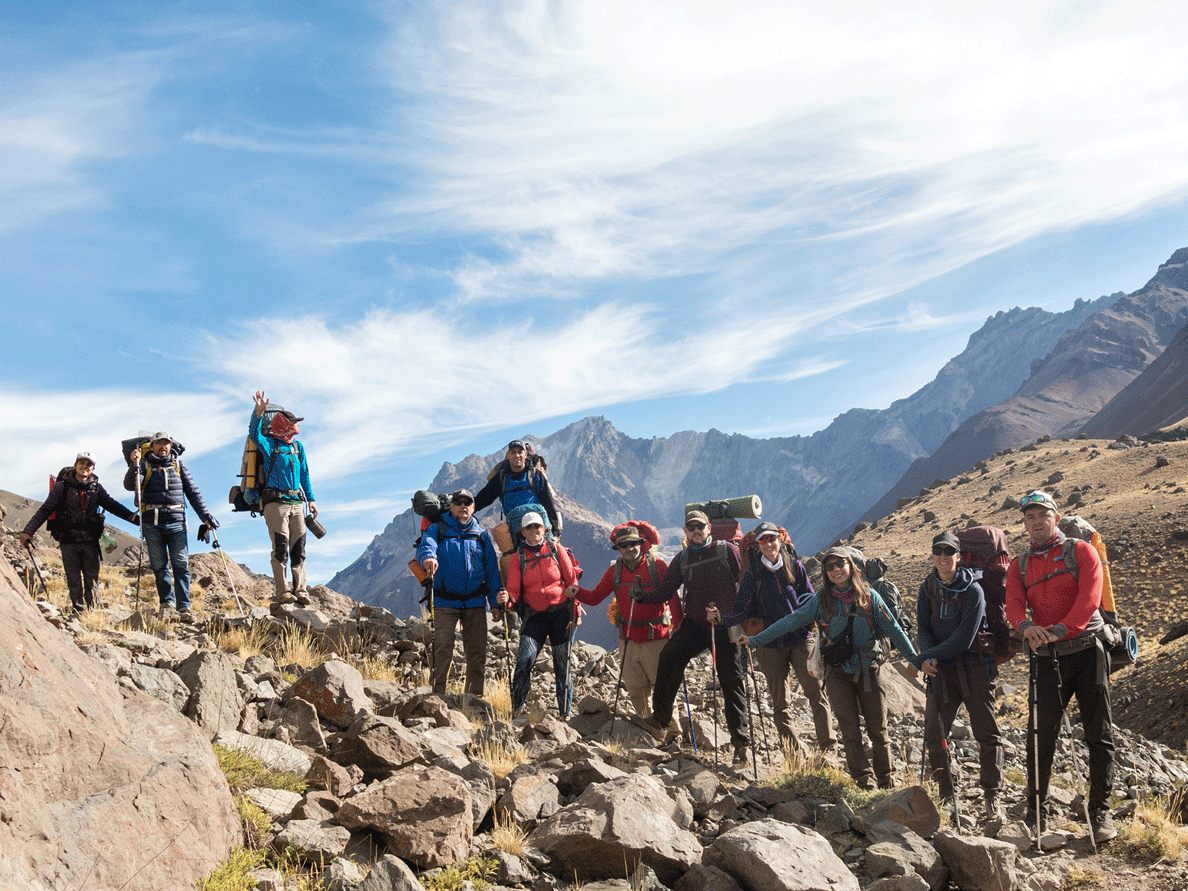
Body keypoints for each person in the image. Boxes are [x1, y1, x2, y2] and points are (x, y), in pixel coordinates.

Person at [740, 546, 918, 790]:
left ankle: (886, 784)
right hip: (838, 674)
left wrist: (915, 659)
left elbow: (894, 630)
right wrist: (755, 640)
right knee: (850, 731)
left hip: (869, 671)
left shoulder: (870, 597)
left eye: (840, 564)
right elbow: (790, 622)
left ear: (850, 566)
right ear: (825, 572)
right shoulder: (821, 601)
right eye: (829, 566)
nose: (836, 570)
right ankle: (865, 783)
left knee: (879, 731)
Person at [1005, 491, 1116, 843]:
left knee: (1098, 734)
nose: (1036, 521)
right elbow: (1013, 607)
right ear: (1024, 523)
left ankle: (1100, 812)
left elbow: (1089, 600)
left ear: (1056, 516)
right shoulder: (1018, 565)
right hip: (1046, 657)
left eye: (1042, 515)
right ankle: (1037, 810)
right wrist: (1025, 627)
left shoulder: (1081, 552)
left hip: (1086, 652)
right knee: (1040, 736)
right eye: (1029, 517)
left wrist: (1055, 631)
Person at [708, 521, 834, 758]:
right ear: (758, 545)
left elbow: (807, 598)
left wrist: (822, 619)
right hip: (768, 644)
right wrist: (723, 619)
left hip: (800, 638)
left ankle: (829, 749)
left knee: (816, 692)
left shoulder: (796, 567)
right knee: (780, 702)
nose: (768, 544)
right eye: (763, 540)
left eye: (772, 539)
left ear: (780, 540)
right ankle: (793, 755)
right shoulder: (752, 576)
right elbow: (742, 609)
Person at [637, 509, 751, 766]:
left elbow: (746, 583)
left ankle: (741, 744)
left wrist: (731, 615)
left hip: (726, 626)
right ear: (686, 532)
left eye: (700, 527)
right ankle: (661, 719)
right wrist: (642, 596)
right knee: (669, 656)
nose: (696, 531)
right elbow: (666, 590)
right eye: (691, 528)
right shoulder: (683, 558)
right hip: (696, 624)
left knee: (731, 680)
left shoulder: (727, 551)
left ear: (709, 528)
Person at [915, 530, 1005, 821]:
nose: (943, 558)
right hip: (942, 672)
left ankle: (993, 797)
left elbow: (964, 639)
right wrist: (927, 656)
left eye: (948, 552)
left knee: (987, 734)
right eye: (937, 552)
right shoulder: (926, 588)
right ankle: (946, 796)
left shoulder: (973, 591)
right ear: (932, 555)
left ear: (958, 556)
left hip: (975, 667)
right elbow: (923, 629)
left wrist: (926, 658)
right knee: (934, 736)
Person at [574, 523, 682, 721]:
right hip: (627, 640)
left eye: (633, 543)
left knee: (663, 688)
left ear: (641, 544)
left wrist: (679, 629)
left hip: (656, 638)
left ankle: (670, 730)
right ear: (619, 549)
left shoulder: (657, 566)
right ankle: (649, 727)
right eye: (624, 545)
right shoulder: (614, 571)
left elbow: (672, 598)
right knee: (635, 689)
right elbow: (595, 597)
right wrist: (575, 591)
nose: (629, 548)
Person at [20, 453, 139, 613]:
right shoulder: (62, 486)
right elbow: (46, 509)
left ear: (93, 468)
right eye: (81, 463)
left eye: (88, 464)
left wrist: (136, 519)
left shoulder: (96, 487)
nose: (85, 466)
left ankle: (92, 613)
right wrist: (29, 531)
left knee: (92, 579)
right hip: (68, 539)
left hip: (91, 540)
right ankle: (78, 611)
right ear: (75, 465)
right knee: (73, 578)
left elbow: (113, 505)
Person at [417, 488, 505, 697]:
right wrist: (428, 557)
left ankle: (473, 700)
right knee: (442, 650)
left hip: (475, 601)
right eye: (459, 502)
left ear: (473, 507)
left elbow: (492, 571)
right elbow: (425, 546)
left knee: (476, 653)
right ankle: (438, 697)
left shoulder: (481, 535)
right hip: (444, 602)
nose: (463, 506)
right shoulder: (437, 529)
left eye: (468, 503)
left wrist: (494, 603)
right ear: (451, 506)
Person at [124, 432, 217, 620]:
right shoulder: (143, 465)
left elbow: (193, 493)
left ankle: (184, 608)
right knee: (159, 565)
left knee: (181, 564)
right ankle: (167, 604)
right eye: (158, 443)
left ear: (170, 445)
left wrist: (205, 517)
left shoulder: (179, 466)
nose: (163, 447)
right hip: (152, 522)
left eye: (166, 443)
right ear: (152, 446)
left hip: (177, 522)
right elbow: (129, 485)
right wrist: (134, 465)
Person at [499, 512, 580, 715]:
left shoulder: (555, 549)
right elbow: (514, 590)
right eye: (529, 528)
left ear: (544, 529)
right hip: (535, 616)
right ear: (523, 532)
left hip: (562, 614)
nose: (534, 531)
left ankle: (565, 714)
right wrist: (507, 599)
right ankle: (517, 709)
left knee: (563, 664)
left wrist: (576, 610)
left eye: (538, 527)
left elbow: (572, 583)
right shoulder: (518, 557)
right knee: (525, 659)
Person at [250, 391, 317, 604]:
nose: (297, 426)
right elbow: (254, 435)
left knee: (299, 548)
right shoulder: (270, 445)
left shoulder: (298, 448)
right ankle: (283, 591)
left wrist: (311, 499)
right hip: (275, 504)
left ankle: (301, 591)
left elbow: (304, 475)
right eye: (293, 422)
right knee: (281, 548)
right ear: (282, 424)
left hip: (297, 503)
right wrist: (258, 414)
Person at [474, 440, 562, 538]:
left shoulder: (536, 476)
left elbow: (548, 503)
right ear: (507, 455)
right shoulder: (501, 478)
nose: (517, 455)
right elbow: (483, 499)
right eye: (513, 452)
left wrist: (555, 532)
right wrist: (464, 505)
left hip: (537, 528)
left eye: (520, 452)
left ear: (525, 454)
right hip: (515, 530)